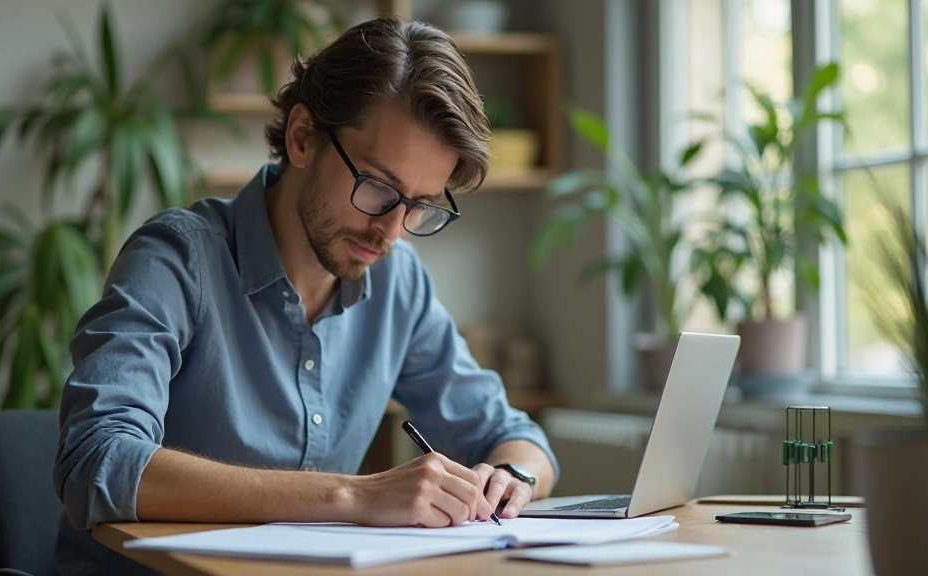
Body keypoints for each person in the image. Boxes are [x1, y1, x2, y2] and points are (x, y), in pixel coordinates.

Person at [52, 16, 559, 575]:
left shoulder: (399, 283)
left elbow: (512, 435)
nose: (391, 230)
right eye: (377, 187)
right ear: (301, 136)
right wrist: (354, 497)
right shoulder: (178, 259)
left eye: (419, 204)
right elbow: (97, 461)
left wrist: (512, 478)